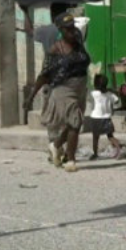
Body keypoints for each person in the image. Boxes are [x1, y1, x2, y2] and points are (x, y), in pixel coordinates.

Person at [27, 12, 91, 173]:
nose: (71, 31)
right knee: (75, 122)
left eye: (72, 28)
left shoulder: (77, 38)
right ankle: (70, 160)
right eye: (67, 29)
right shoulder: (56, 49)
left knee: (73, 124)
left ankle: (55, 145)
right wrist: (31, 96)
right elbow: (44, 74)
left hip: (81, 86)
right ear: (60, 30)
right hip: (64, 88)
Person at [88, 74, 124, 160]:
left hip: (95, 118)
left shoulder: (93, 93)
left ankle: (95, 154)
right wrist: (112, 90)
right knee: (110, 136)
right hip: (107, 118)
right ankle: (119, 149)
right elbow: (117, 100)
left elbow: (88, 98)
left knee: (95, 137)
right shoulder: (110, 94)